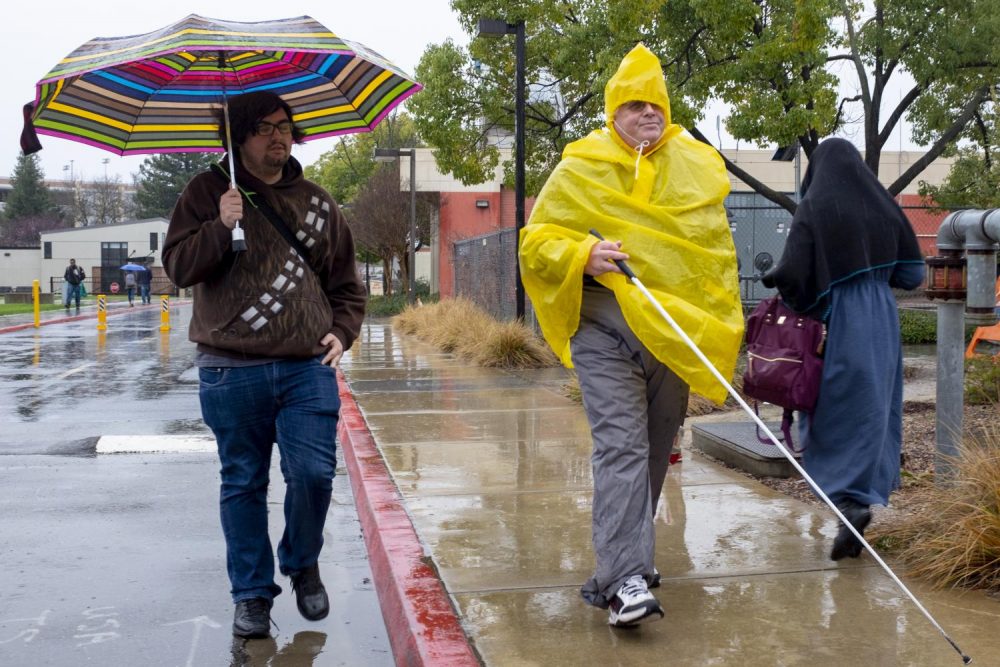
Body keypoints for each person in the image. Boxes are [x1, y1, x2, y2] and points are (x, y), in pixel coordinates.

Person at [519, 44, 743, 627]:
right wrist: (583, 251)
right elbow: (535, 241)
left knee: (653, 450)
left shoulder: (695, 163)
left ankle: (621, 565)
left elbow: (711, 254)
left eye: (657, 104)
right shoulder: (580, 167)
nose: (649, 113)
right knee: (620, 445)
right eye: (635, 104)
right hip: (604, 330)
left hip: (670, 332)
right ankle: (625, 580)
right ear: (614, 111)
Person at [162, 91, 367, 639]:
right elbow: (179, 268)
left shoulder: (320, 203)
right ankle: (251, 594)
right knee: (243, 483)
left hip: (306, 368)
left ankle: (302, 560)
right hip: (230, 370)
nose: (278, 136)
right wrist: (217, 227)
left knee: (313, 475)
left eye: (284, 126)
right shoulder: (206, 192)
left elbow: (346, 285)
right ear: (237, 137)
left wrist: (342, 333)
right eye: (263, 128)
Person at [761, 138, 925, 560]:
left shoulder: (813, 209)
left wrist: (820, 302)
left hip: (835, 325)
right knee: (875, 411)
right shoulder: (887, 208)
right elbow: (912, 275)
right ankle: (862, 499)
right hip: (883, 323)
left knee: (828, 410)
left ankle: (846, 503)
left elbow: (794, 281)